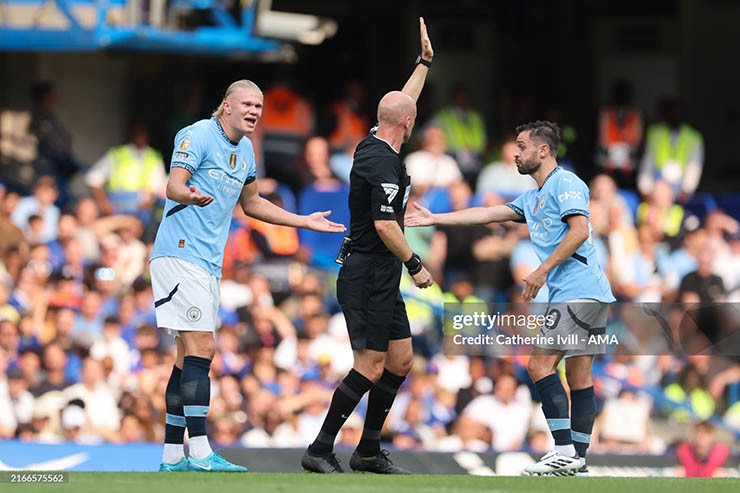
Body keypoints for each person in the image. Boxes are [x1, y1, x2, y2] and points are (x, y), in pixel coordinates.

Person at [151, 79, 346, 473]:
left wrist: (302, 222)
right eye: (247, 104)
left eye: (259, 106)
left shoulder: (246, 151)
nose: (255, 111)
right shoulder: (198, 135)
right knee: (203, 350)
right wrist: (188, 194)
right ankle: (202, 452)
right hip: (180, 253)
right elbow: (172, 184)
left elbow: (254, 203)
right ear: (226, 105)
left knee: (184, 357)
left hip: (207, 262)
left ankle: (173, 456)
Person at [406, 120, 615, 476]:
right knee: (579, 377)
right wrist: (435, 217)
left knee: (538, 367)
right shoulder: (533, 197)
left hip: (579, 291)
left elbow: (580, 231)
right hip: (588, 293)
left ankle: (563, 450)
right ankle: (577, 458)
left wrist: (542, 270)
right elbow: (486, 213)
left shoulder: (566, 183)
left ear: (543, 150)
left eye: (521, 146)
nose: (515, 154)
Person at [300, 17, 435, 475]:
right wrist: (415, 263)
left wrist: (423, 63)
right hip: (367, 271)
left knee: (400, 359)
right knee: (372, 364)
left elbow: (402, 105)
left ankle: (368, 451)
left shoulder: (375, 141)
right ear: (409, 124)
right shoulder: (381, 161)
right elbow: (384, 225)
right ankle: (320, 448)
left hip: (379, 274)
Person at [85, 121, 167, 220]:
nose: (140, 135)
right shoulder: (117, 155)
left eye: (143, 132)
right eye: (137, 132)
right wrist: (104, 204)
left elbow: (160, 188)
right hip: (118, 210)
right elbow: (93, 178)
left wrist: (151, 198)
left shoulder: (154, 157)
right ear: (131, 134)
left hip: (144, 213)